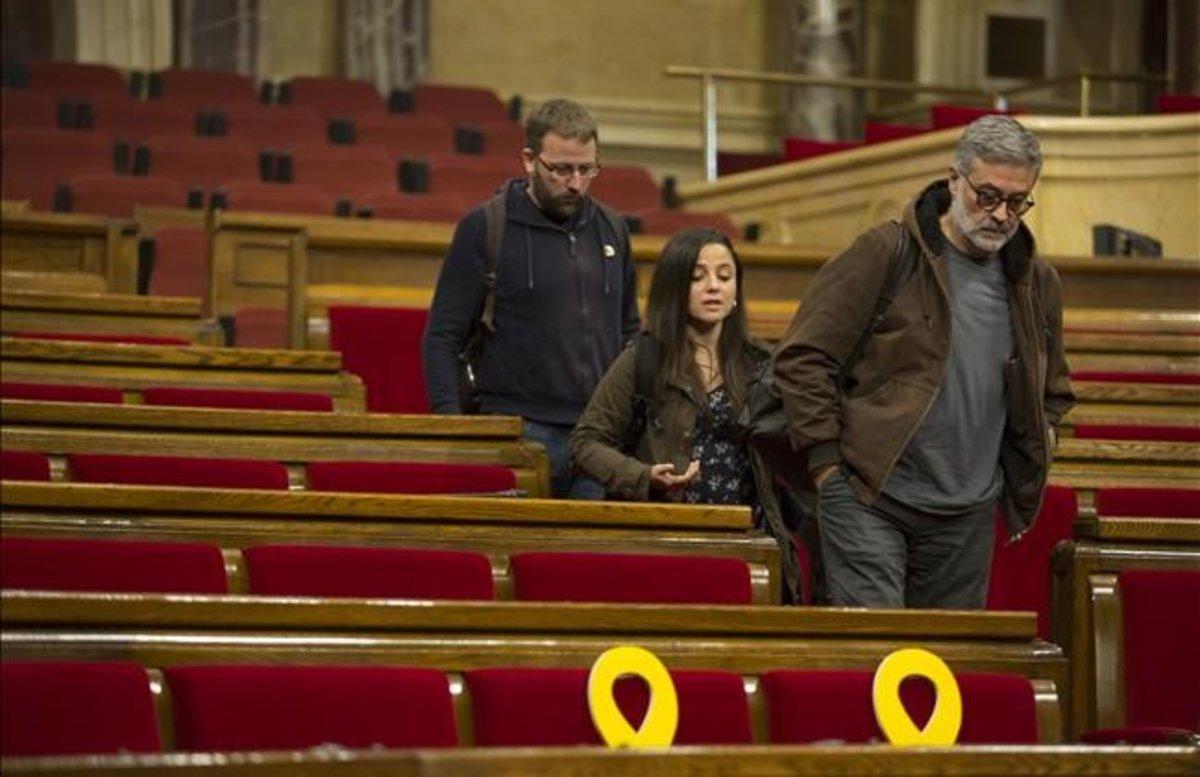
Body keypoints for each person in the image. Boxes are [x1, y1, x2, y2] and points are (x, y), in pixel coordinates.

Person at [773, 115, 1074, 609]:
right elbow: (804, 357)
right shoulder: (887, 252)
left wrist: (1040, 439)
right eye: (988, 196)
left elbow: (1054, 390)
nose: (1001, 214)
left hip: (968, 513)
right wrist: (827, 465)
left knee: (946, 669)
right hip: (869, 496)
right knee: (877, 660)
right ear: (954, 180)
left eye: (1018, 202)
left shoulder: (1037, 283)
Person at [423, 98, 639, 499]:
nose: (575, 183)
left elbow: (630, 331)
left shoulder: (612, 229)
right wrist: (451, 428)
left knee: (582, 559)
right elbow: (442, 337)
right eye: (560, 169)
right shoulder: (486, 227)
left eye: (586, 169)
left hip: (596, 437)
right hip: (516, 431)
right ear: (528, 160)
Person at [570, 228, 800, 601]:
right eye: (698, 277)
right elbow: (585, 443)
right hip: (670, 538)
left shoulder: (760, 365)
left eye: (725, 277)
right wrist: (644, 476)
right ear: (674, 289)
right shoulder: (643, 360)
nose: (714, 287)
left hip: (749, 542)